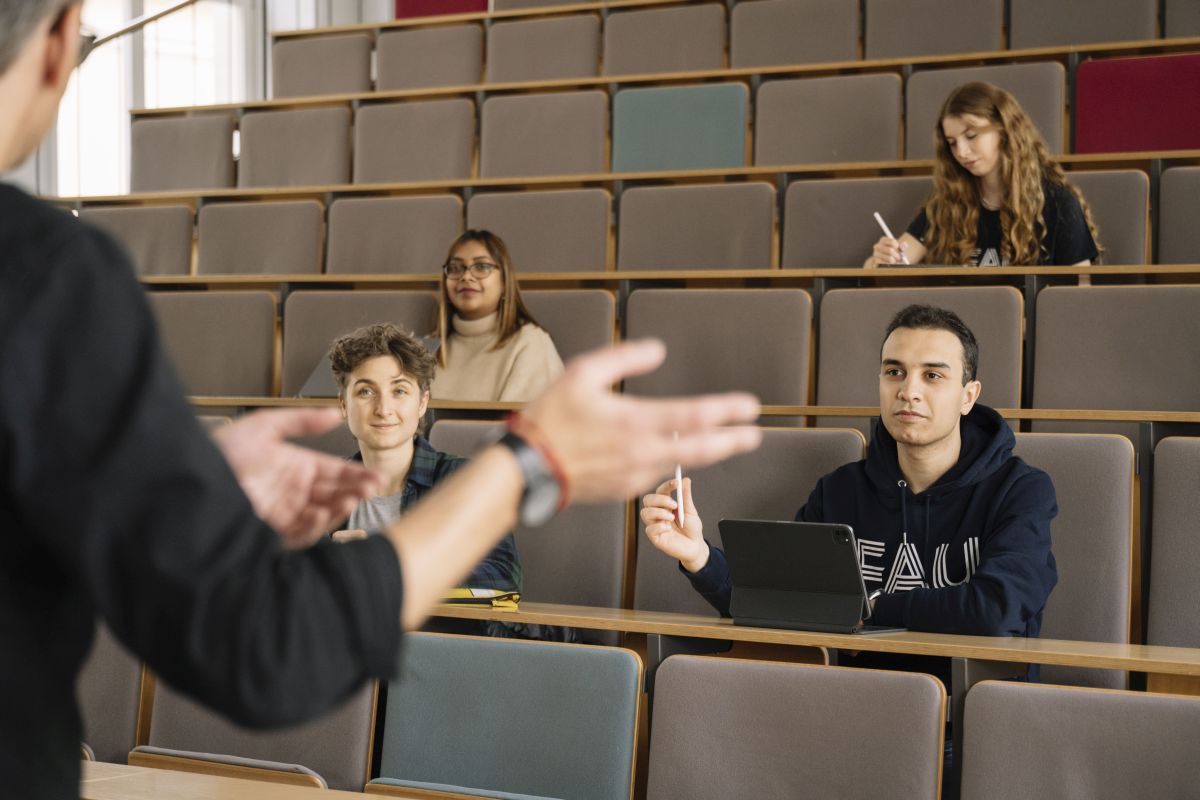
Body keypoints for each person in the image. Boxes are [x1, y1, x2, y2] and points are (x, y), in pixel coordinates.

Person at [0, 5, 762, 797]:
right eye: (364, 392)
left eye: (399, 391)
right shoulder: (45, 276)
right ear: (61, 43)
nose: (384, 407)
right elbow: (268, 651)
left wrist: (171, 485)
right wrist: (526, 466)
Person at [641, 304, 1058, 683]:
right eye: (894, 372)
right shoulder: (840, 490)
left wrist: (870, 606)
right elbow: (778, 602)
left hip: (966, 721)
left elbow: (997, 608)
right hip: (846, 708)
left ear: (968, 396)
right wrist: (697, 555)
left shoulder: (1020, 491)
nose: (908, 390)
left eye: (933, 375)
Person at [865, 82, 1101, 268]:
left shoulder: (1059, 203)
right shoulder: (948, 203)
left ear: (1005, 129)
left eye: (971, 136)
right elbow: (885, 265)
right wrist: (881, 259)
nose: (961, 152)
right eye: (952, 142)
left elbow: (1078, 296)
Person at [431, 229, 563, 401]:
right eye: (455, 268)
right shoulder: (430, 347)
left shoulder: (531, 342)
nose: (466, 276)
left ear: (504, 283)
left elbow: (525, 426)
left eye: (481, 267)